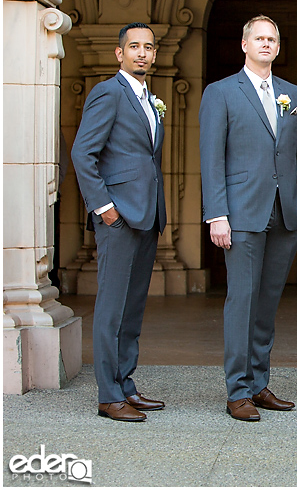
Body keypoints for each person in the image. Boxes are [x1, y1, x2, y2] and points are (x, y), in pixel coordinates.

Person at [199, 15, 297, 422]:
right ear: (244, 45)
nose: (266, 44)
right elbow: (211, 159)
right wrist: (217, 214)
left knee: (267, 303)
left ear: (278, 47)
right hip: (241, 213)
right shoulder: (221, 92)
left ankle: (259, 383)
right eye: (259, 38)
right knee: (242, 301)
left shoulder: (292, 93)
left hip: (285, 213)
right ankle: (237, 391)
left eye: (272, 39)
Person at [71, 22, 167, 422]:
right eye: (134, 47)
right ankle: (108, 395)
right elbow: (82, 153)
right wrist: (103, 208)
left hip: (147, 214)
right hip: (119, 218)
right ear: (119, 53)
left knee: (132, 307)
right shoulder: (108, 92)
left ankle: (126, 384)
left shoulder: (148, 98)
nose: (142, 53)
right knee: (111, 307)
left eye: (148, 47)